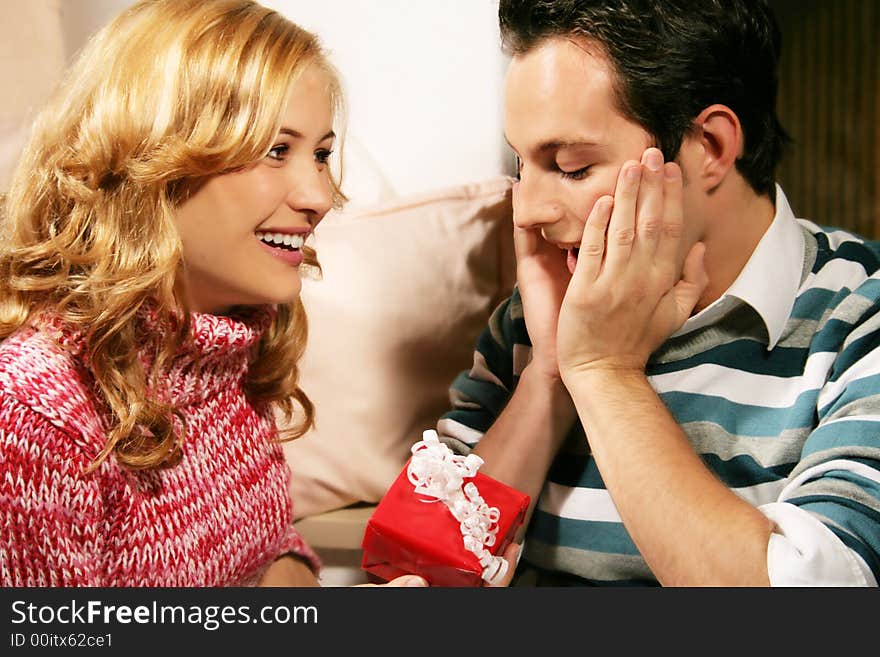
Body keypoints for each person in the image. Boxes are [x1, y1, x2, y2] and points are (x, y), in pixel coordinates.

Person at [437, 0, 880, 586]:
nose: (530, 208)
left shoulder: (858, 317)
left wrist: (603, 371)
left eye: (570, 167)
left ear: (711, 147)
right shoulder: (532, 317)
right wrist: (549, 372)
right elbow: (416, 576)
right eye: (522, 164)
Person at [0, 0, 427, 587]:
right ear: (154, 158)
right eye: (277, 150)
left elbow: (271, 549)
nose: (320, 196)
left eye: (322, 154)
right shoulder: (32, 417)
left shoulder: (225, 345)